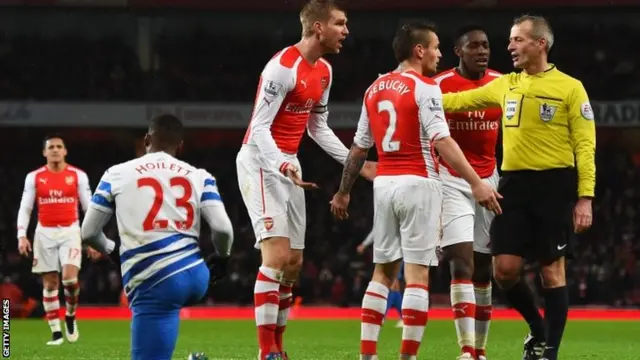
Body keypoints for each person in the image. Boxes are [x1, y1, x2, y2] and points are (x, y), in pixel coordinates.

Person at [329, 21, 501, 360]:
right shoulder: (425, 87)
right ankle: (407, 357)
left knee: (381, 273)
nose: (439, 54)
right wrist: (476, 181)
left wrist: (343, 191)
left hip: (384, 186)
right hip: (419, 182)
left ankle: (368, 355)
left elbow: (359, 150)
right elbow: (442, 140)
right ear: (419, 50)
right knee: (417, 275)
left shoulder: (374, 88)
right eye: (435, 47)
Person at [442, 15, 596, 360]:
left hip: (554, 185)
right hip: (513, 184)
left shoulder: (570, 87)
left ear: (540, 44)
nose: (509, 46)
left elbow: (585, 147)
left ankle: (549, 351)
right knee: (504, 271)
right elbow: (457, 102)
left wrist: (585, 197)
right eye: (510, 40)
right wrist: (418, 91)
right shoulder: (505, 84)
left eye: (518, 40)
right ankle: (537, 328)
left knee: (551, 270)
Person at [235, 1, 375, 359]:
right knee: (277, 256)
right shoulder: (281, 69)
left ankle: (279, 349)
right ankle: (266, 352)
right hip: (260, 161)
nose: (346, 31)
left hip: (288, 164)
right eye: (340, 24)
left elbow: (317, 127)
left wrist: (355, 163)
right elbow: (260, 127)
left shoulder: (324, 71)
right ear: (317, 27)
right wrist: (282, 166)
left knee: (294, 263)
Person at [80, 114, 234, 360]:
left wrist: (112, 251)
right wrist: (223, 259)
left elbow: (88, 232)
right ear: (180, 146)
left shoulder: (116, 174)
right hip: (196, 275)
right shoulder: (200, 175)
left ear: (146, 139)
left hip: (155, 278)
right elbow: (223, 229)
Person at [432, 25, 502, 360]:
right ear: (458, 51)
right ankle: (466, 351)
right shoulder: (440, 85)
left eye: (486, 46)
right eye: (474, 46)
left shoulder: (502, 84)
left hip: (490, 179)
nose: (482, 51)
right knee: (461, 263)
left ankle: (482, 349)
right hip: (452, 180)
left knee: (485, 270)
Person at [16, 134, 103, 345]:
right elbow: (26, 208)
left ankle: (70, 316)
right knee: (50, 283)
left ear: (65, 151)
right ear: (44, 152)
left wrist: (94, 239)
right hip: (44, 233)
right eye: (51, 147)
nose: (55, 150)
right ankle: (56, 332)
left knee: (70, 280)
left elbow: (88, 208)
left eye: (59, 146)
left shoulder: (77, 176)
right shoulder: (34, 177)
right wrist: (21, 235)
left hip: (70, 231)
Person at [357, 231, 404, 328]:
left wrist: (364, 244)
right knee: (394, 285)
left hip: (393, 249)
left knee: (393, 284)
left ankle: (385, 316)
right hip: (393, 249)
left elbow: (376, 230)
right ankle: (402, 318)